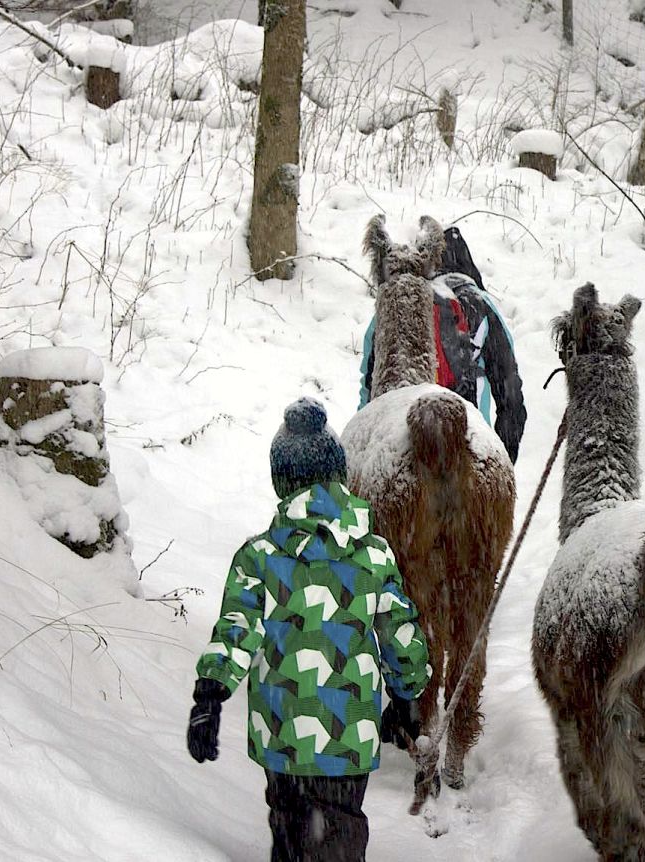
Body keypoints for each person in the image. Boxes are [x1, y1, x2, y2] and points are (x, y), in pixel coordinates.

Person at [186, 398, 431, 862]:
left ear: (282, 483)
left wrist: (210, 695)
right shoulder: (373, 555)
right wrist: (407, 697)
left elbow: (236, 631)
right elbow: (400, 637)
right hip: (346, 739)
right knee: (337, 833)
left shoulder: (258, 557)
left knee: (290, 828)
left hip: (282, 738)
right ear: (337, 474)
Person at [358, 225, 527, 463]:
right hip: (469, 449)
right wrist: (502, 463)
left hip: (402, 448)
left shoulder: (395, 308)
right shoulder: (481, 306)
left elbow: (368, 390)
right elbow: (511, 399)